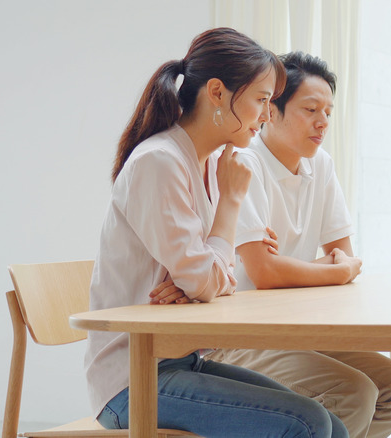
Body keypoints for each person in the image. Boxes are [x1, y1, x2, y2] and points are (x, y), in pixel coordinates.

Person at [84, 28, 348, 438]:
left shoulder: (209, 162)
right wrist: (228, 208)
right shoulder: (160, 162)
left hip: (180, 360)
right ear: (218, 93)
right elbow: (208, 278)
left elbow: (210, 277)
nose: (265, 114)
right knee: (306, 424)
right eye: (261, 99)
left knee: (329, 422)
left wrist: (200, 277)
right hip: (132, 380)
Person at [202, 52, 391, 438]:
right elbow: (266, 273)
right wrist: (328, 269)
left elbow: (346, 259)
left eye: (329, 111)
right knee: (354, 393)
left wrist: (318, 268)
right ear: (271, 111)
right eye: (310, 109)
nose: (323, 122)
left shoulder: (320, 164)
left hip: (297, 332)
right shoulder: (242, 164)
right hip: (237, 338)